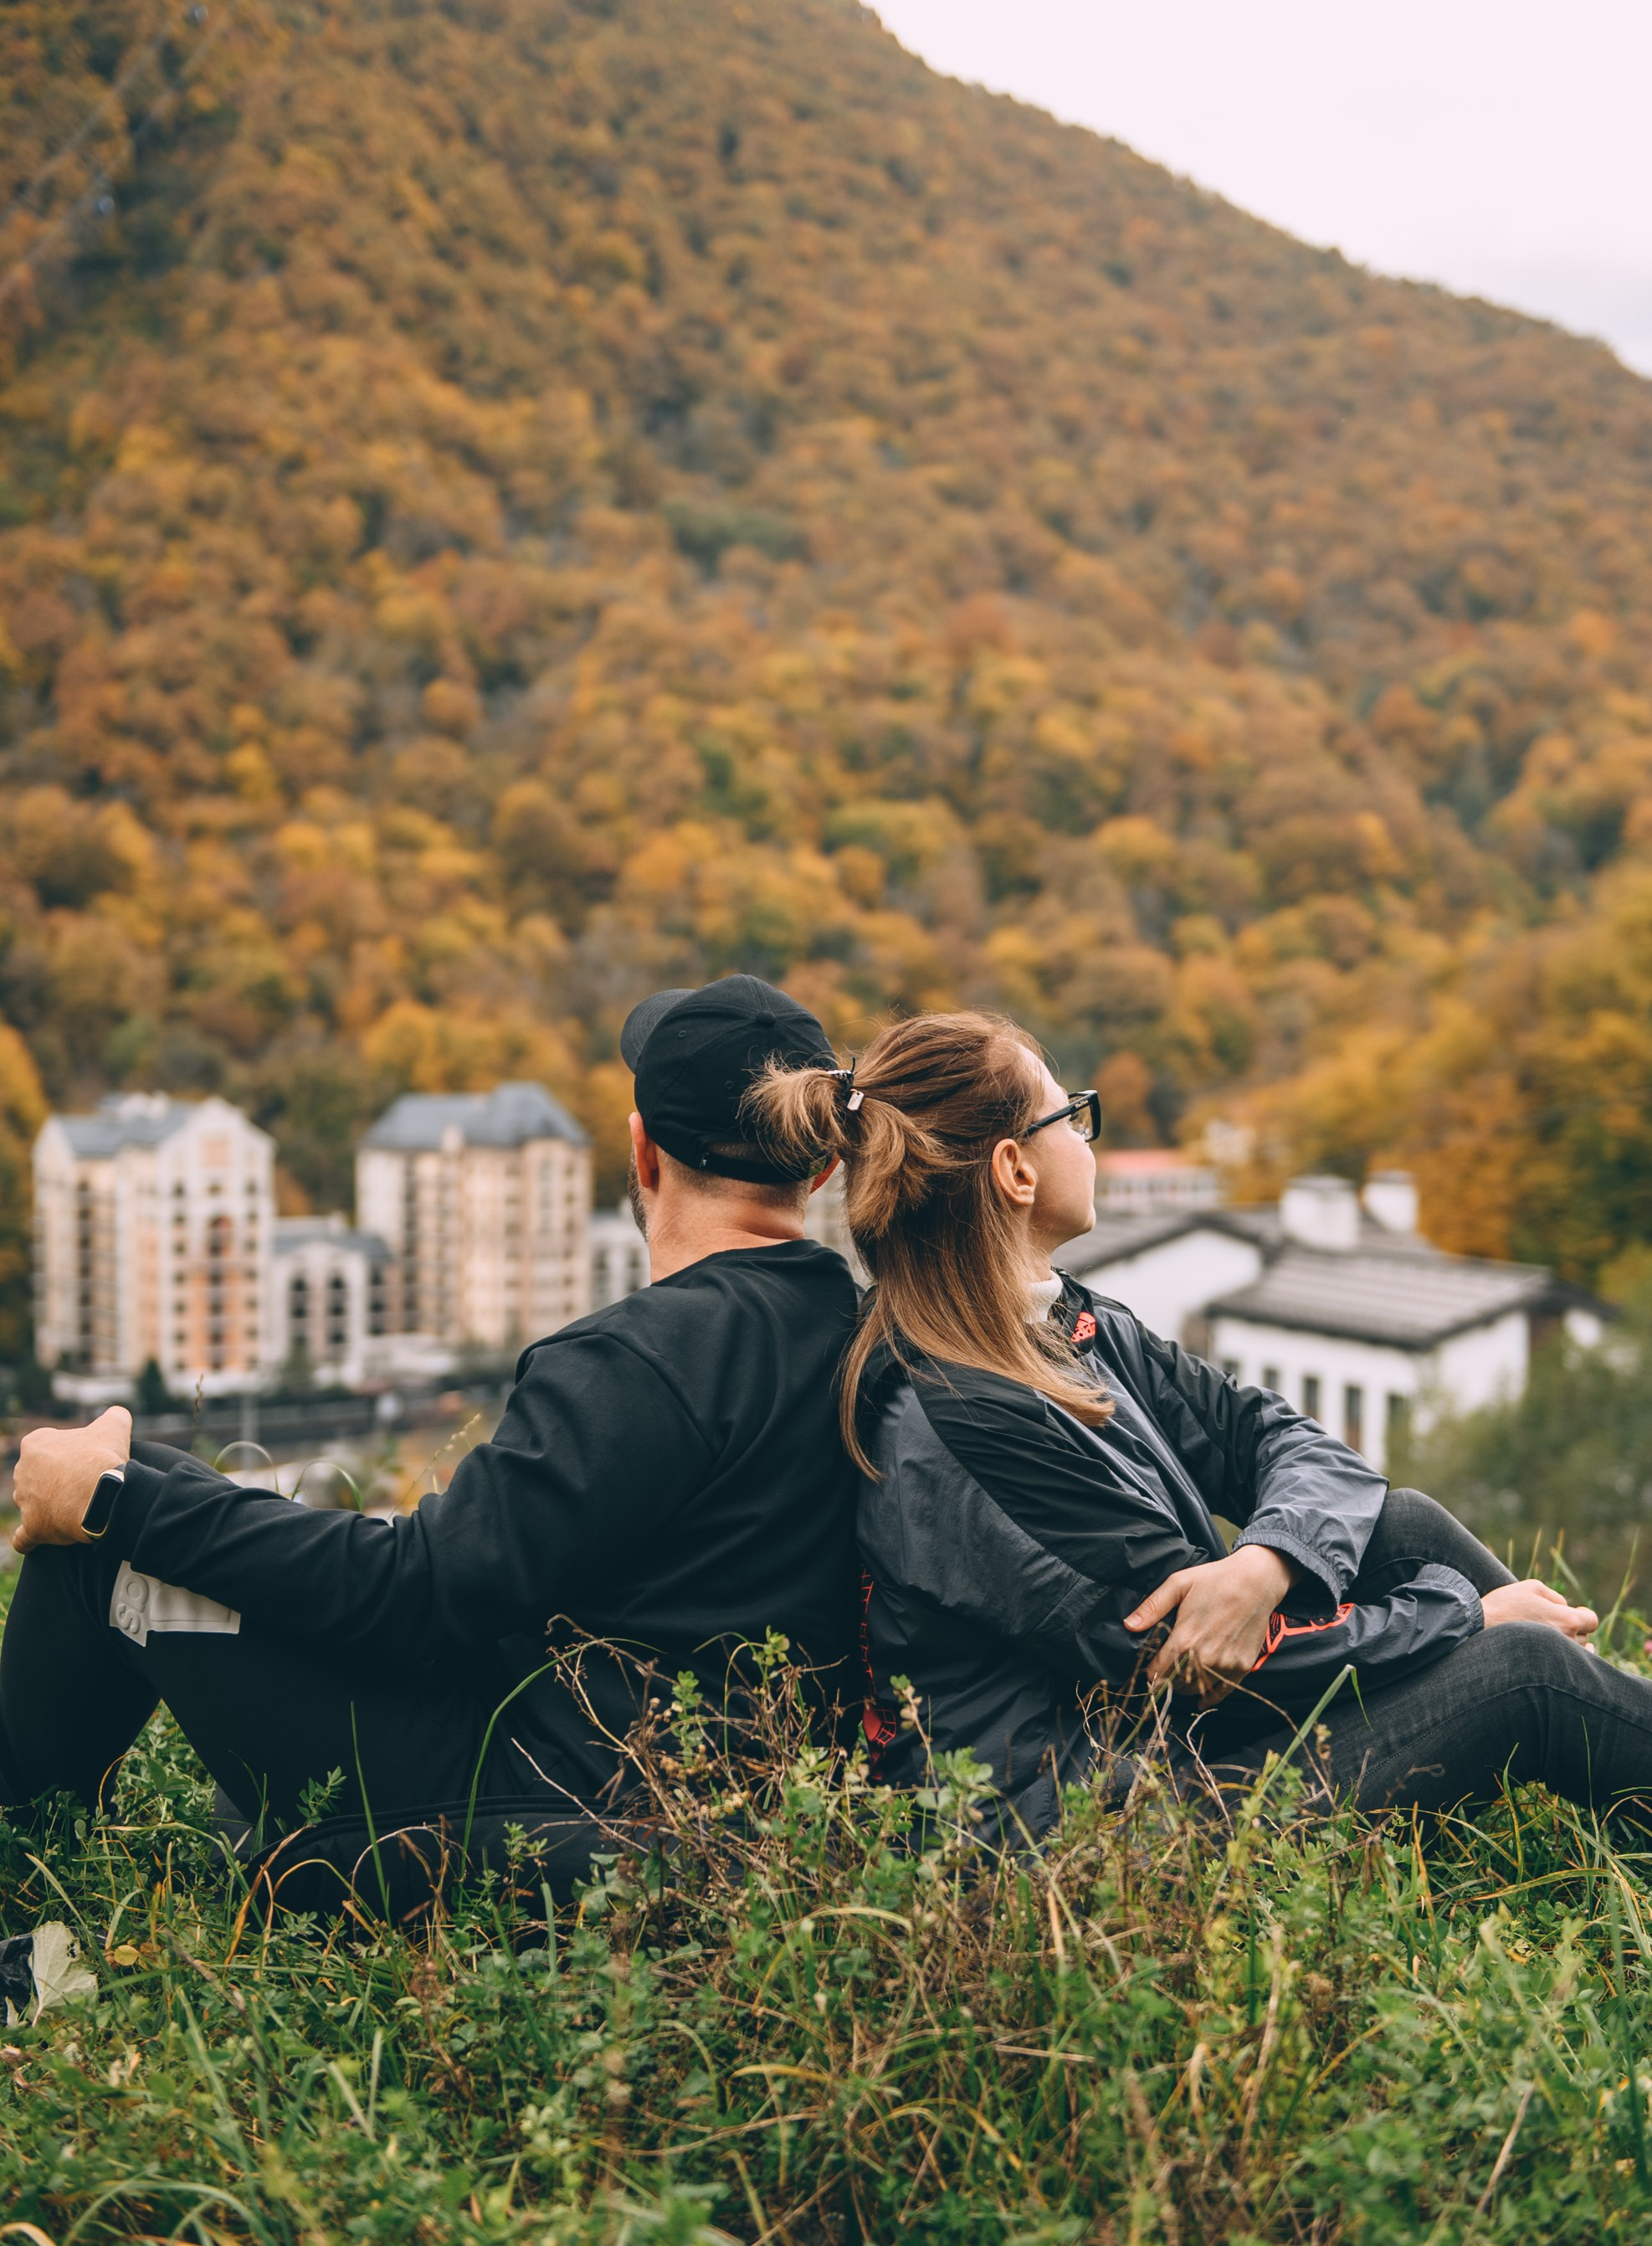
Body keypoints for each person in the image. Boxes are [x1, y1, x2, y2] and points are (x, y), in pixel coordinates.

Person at [742, 1010, 1652, 1840]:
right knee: (1524, 1671)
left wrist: (1268, 1559)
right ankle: (1596, 1743)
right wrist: (1466, 1619)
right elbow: (1200, 1669)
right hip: (1091, 1832)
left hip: (1161, 1754)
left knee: (1402, 1521)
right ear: (1015, 1171)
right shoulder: (960, 1416)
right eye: (1074, 1117)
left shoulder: (1065, 1326)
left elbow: (1279, 1438)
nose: (1088, 1139)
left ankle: (1608, 1761)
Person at [1, 976, 862, 1852]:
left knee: (107, 1533)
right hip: (684, 1809)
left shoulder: (639, 1359)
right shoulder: (856, 1331)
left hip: (536, 1828)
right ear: (820, 1167)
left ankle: (24, 1897)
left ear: (641, 1156)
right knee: (149, 1467)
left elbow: (420, 1595)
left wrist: (113, 1503)